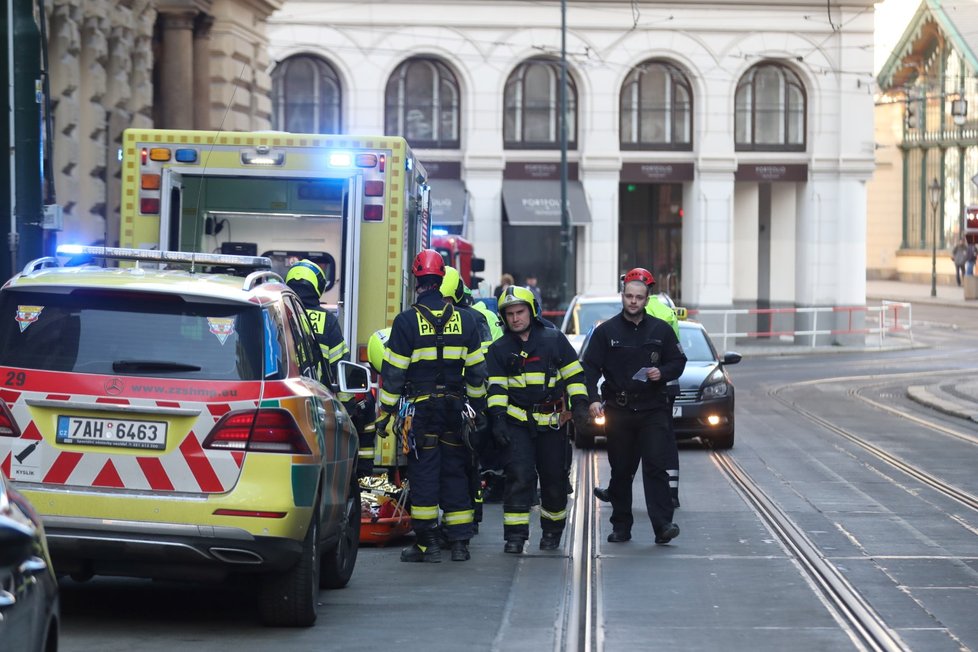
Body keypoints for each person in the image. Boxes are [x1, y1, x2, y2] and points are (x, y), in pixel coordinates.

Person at [375, 249, 488, 563]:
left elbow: (394, 375)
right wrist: (477, 408)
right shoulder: (466, 320)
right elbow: (477, 372)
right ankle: (461, 543)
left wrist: (384, 414)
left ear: (417, 282)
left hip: (421, 412)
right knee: (455, 471)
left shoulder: (406, 322)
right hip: (455, 408)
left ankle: (428, 544)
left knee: (424, 473)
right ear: (441, 279)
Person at [582, 269, 687, 545]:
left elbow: (678, 362)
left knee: (655, 467)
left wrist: (661, 373)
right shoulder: (606, 332)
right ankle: (621, 526)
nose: (633, 301)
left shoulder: (660, 330)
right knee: (621, 469)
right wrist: (592, 399)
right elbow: (589, 368)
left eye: (639, 297)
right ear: (622, 297)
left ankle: (663, 525)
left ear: (646, 299)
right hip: (619, 410)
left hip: (653, 409)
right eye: (629, 296)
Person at [486, 286, 589, 553]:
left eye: (520, 312)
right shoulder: (499, 349)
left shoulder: (554, 340)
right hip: (516, 422)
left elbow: (575, 376)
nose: (515, 318)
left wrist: (579, 405)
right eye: (509, 314)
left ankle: (552, 532)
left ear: (532, 311)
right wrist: (497, 419)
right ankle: (515, 537)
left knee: (554, 478)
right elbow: (496, 388)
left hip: (553, 422)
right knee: (518, 477)